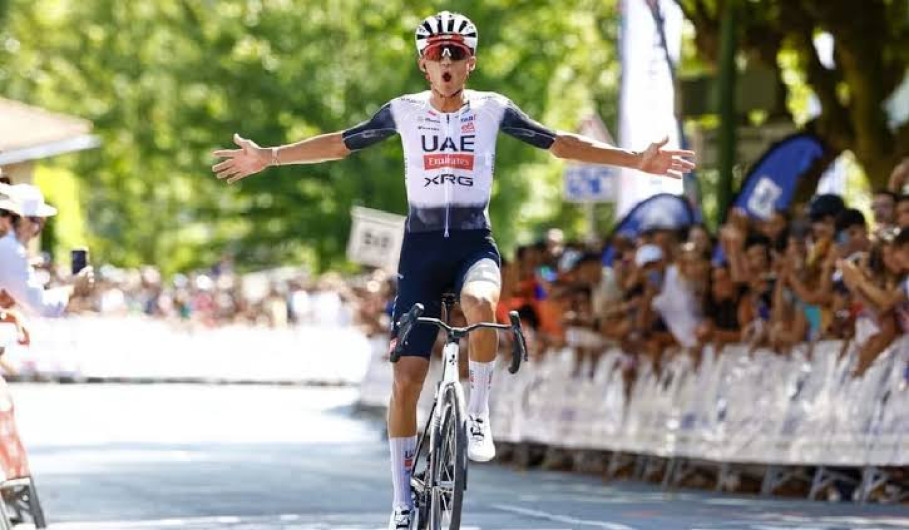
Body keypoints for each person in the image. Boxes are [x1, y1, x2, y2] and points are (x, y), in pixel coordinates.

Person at [210, 11, 695, 528]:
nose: (446, 62)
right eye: (437, 54)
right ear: (422, 64)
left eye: (456, 54)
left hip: (472, 245)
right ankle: (401, 499)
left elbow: (562, 144)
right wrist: (272, 156)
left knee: (482, 305)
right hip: (419, 253)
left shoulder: (493, 110)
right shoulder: (402, 112)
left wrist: (634, 160)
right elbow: (338, 143)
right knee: (406, 382)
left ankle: (479, 415)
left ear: (471, 64)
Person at [0, 184, 94, 318]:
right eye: (36, 220)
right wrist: (73, 287)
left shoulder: (7, 247)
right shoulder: (9, 247)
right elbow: (41, 308)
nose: (36, 228)